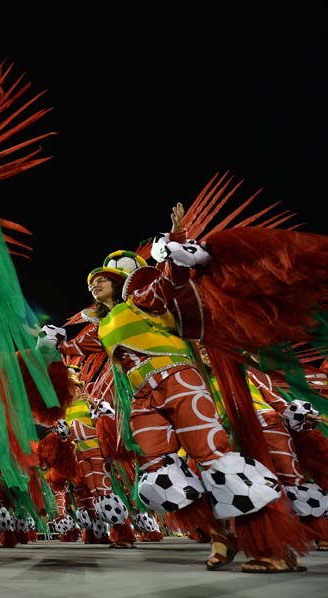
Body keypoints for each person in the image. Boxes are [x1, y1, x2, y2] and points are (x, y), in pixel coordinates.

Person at [45, 202, 308, 573]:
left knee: (218, 462)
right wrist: (47, 342)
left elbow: (172, 280)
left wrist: (176, 241)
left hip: (179, 381)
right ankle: (220, 534)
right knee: (162, 476)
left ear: (120, 282)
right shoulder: (100, 327)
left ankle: (272, 548)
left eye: (102, 278)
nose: (95, 284)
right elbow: (70, 349)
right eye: (92, 282)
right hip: (144, 397)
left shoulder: (143, 302)